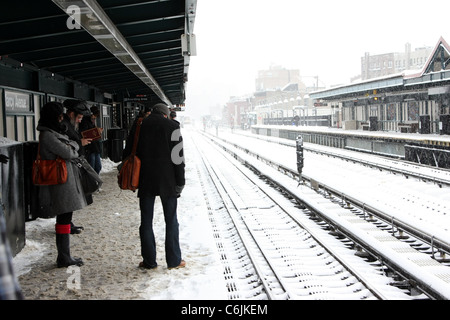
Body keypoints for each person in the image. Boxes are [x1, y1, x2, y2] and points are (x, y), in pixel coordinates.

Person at [123, 103, 185, 270]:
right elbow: (178, 158)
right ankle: (174, 261)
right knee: (171, 220)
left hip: (145, 179)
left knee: (146, 221)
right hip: (168, 180)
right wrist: (181, 181)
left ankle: (149, 261)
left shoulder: (139, 127)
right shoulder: (173, 127)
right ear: (166, 114)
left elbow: (127, 152)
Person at [36, 102, 87, 268]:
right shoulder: (48, 135)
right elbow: (69, 151)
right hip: (60, 182)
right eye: (59, 115)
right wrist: (74, 144)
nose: (61, 118)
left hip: (64, 181)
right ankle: (64, 257)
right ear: (54, 116)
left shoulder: (52, 132)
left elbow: (70, 147)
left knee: (65, 218)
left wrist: (71, 144)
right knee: (64, 218)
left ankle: (65, 255)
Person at [61, 99, 92, 233]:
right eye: (79, 117)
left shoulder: (69, 125)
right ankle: (66, 224)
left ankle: (69, 223)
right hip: (67, 168)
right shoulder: (64, 126)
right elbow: (66, 146)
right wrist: (80, 143)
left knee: (71, 199)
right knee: (68, 199)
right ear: (72, 114)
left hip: (72, 166)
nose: (80, 120)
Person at [80, 106, 103, 175]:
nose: (95, 118)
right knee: (92, 167)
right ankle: (91, 182)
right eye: (94, 116)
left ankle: (95, 181)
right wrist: (96, 131)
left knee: (98, 167)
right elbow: (84, 134)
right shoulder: (84, 121)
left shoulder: (92, 122)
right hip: (90, 148)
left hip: (95, 147)